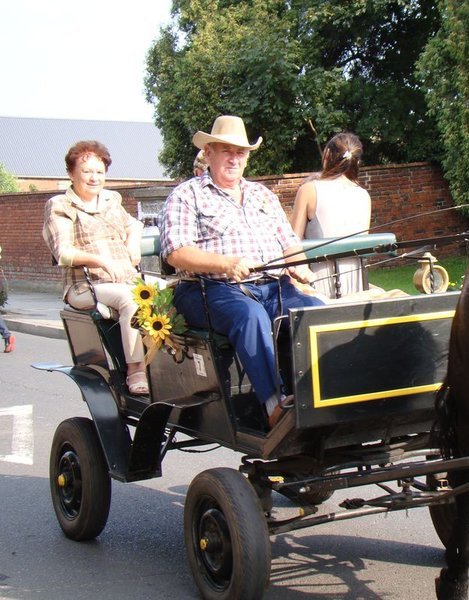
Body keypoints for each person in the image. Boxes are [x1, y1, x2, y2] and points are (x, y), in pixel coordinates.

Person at [160, 115, 324, 428]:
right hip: (209, 290)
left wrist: (300, 266)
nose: (234, 159)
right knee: (250, 316)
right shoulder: (186, 195)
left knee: (314, 311)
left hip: (273, 287)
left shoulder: (263, 195)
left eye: (241, 153)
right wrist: (226, 264)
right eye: (227, 151)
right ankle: (275, 405)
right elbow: (176, 252)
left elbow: (289, 243)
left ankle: (321, 394)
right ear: (209, 153)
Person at [43, 141, 147, 393]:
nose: (94, 178)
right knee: (131, 299)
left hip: (126, 278)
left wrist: (133, 244)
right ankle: (136, 371)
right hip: (85, 285)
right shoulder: (60, 205)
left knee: (174, 293)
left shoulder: (111, 200)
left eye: (99, 172)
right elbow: (63, 252)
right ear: (71, 173)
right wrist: (101, 261)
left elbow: (133, 225)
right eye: (87, 171)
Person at [290, 133, 371, 299]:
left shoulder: (309, 190)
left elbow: (291, 244)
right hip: (358, 287)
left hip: (317, 287)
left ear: (327, 155)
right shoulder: (364, 195)